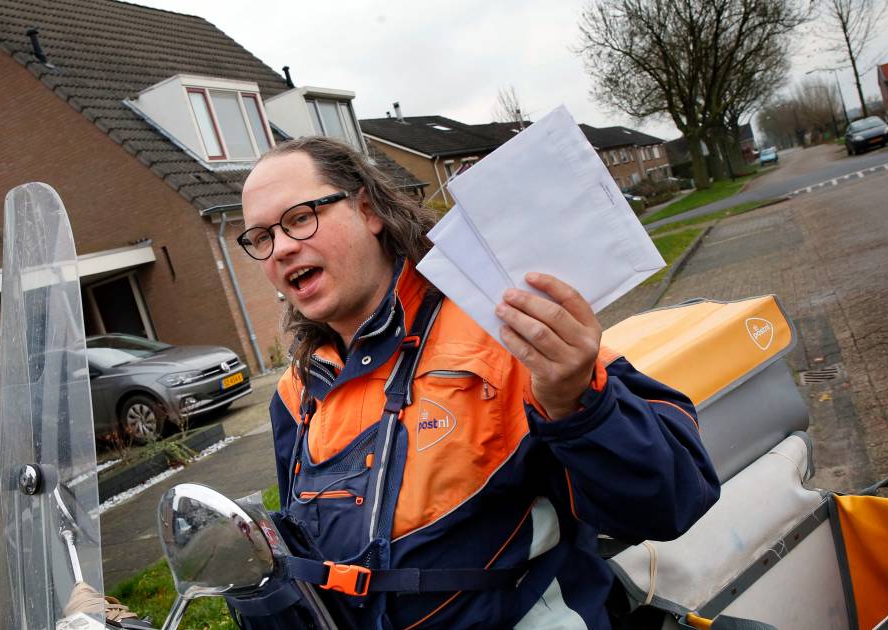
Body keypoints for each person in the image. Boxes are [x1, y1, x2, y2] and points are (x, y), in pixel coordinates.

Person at [235, 136, 720, 629]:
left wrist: (577, 402)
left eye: (300, 218)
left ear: (367, 210)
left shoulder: (504, 330)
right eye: (260, 238)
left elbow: (674, 499)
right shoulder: (296, 393)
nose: (282, 248)